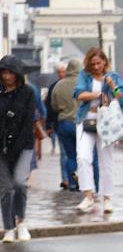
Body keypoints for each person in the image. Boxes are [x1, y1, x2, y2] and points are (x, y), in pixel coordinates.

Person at [73, 48, 123, 214]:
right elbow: (79, 94)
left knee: (106, 162)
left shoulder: (113, 76)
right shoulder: (84, 76)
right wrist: (99, 93)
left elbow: (121, 96)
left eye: (99, 63)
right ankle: (88, 195)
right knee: (82, 157)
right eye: (92, 63)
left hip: (106, 121)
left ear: (104, 62)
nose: (96, 67)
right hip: (86, 119)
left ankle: (107, 198)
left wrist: (112, 85)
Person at [0, 56, 37, 243]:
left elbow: (28, 120)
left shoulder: (28, 92)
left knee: (20, 183)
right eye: (3, 72)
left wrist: (18, 145)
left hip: (23, 145)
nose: (7, 77)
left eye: (10, 73)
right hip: (1, 147)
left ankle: (21, 221)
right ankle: (8, 227)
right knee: (6, 189)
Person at [51, 58, 83, 192]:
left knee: (69, 156)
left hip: (64, 123)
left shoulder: (59, 85)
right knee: (83, 156)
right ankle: (84, 181)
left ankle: (72, 183)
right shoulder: (83, 83)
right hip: (80, 123)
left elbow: (54, 105)